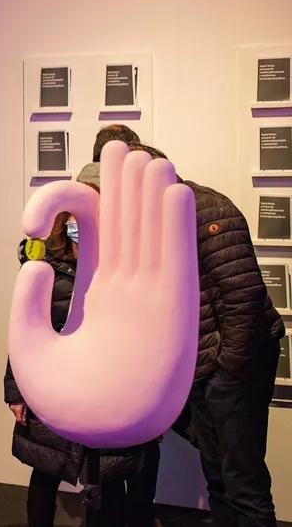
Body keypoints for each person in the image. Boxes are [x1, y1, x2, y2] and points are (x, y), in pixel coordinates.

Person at [127, 143, 287, 527]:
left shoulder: (208, 210)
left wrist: (226, 370)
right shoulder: (155, 221)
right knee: (217, 478)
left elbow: (243, 298)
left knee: (242, 480)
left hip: (232, 365)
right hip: (204, 366)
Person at [5, 210, 148, 527]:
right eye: (76, 230)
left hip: (107, 391)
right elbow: (21, 338)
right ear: (62, 232)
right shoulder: (44, 278)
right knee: (45, 470)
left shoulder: (119, 279)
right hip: (52, 389)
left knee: (110, 477)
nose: (84, 239)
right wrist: (17, 393)